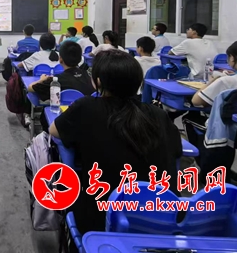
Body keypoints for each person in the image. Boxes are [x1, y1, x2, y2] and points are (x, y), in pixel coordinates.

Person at [50, 50, 182, 234]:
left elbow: (53, 130)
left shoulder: (86, 107)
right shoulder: (158, 114)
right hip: (163, 221)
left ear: (98, 82)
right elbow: (176, 151)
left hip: (103, 221)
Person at [28, 41, 94, 101]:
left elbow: (30, 88)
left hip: (63, 110)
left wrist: (41, 80)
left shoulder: (55, 81)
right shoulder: (89, 77)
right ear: (80, 59)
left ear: (60, 59)